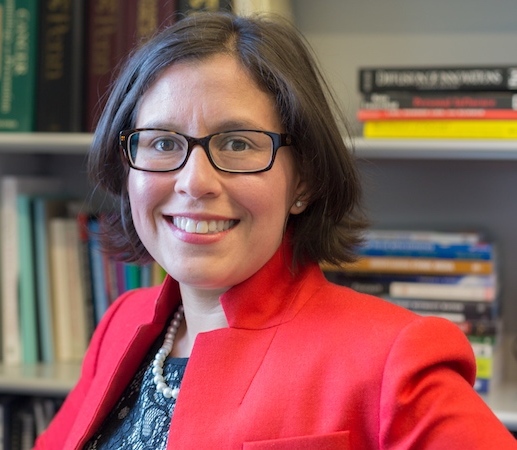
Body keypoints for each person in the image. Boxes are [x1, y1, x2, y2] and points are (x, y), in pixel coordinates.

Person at [34, 12, 517, 450]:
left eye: (238, 143)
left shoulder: (394, 359)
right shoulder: (122, 323)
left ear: (302, 180)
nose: (195, 182)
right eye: (162, 141)